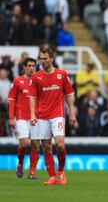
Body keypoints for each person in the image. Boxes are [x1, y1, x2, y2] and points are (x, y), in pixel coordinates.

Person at [28, 47, 76, 185]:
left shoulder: (62, 74)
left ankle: (61, 172)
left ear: (51, 59)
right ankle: (52, 177)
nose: (42, 61)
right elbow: (32, 97)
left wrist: (72, 112)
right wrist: (32, 115)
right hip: (42, 116)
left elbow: (69, 94)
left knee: (60, 144)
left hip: (57, 115)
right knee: (47, 147)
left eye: (45, 58)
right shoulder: (36, 77)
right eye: (41, 58)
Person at [8, 57, 40, 179]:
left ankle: (32, 171)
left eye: (33, 66)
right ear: (24, 67)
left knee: (36, 145)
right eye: (29, 66)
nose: (32, 68)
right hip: (21, 117)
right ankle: (20, 163)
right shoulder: (17, 81)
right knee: (24, 143)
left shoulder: (39, 82)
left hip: (36, 117)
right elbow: (11, 100)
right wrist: (11, 118)